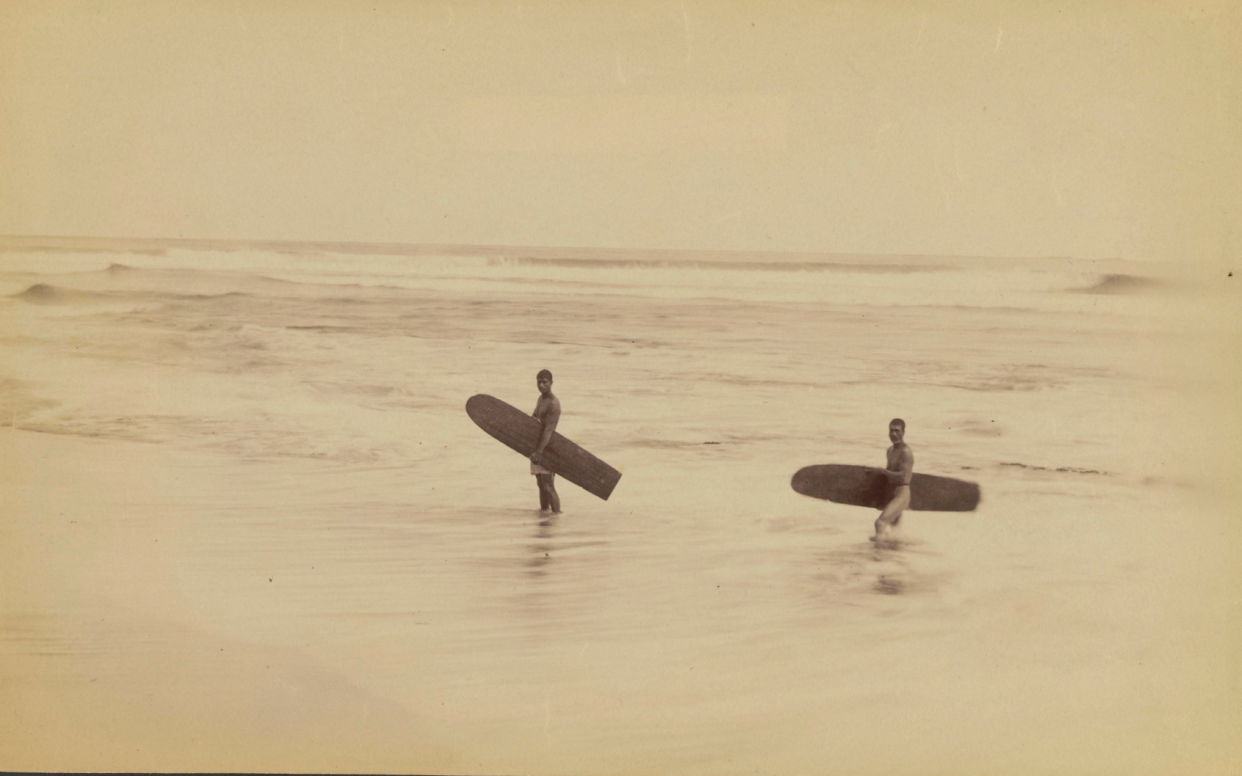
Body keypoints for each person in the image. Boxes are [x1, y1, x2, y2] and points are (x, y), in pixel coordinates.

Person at [874, 418, 913, 543]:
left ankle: (877, 556)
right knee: (894, 532)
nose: (894, 434)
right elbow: (889, 475)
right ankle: (891, 558)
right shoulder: (890, 450)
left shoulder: (905, 452)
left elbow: (904, 477)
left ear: (904, 432)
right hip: (891, 494)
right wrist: (882, 498)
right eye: (891, 431)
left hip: (901, 495)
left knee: (880, 523)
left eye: (897, 431)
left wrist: (882, 471)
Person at [530, 369, 561, 514]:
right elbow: (535, 416)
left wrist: (539, 452)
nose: (541, 385)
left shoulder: (554, 404)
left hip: (547, 447)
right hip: (537, 446)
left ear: (551, 383)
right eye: (539, 382)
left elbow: (549, 430)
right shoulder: (540, 399)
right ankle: (544, 516)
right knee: (540, 484)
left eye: (545, 382)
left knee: (548, 485)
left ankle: (556, 516)